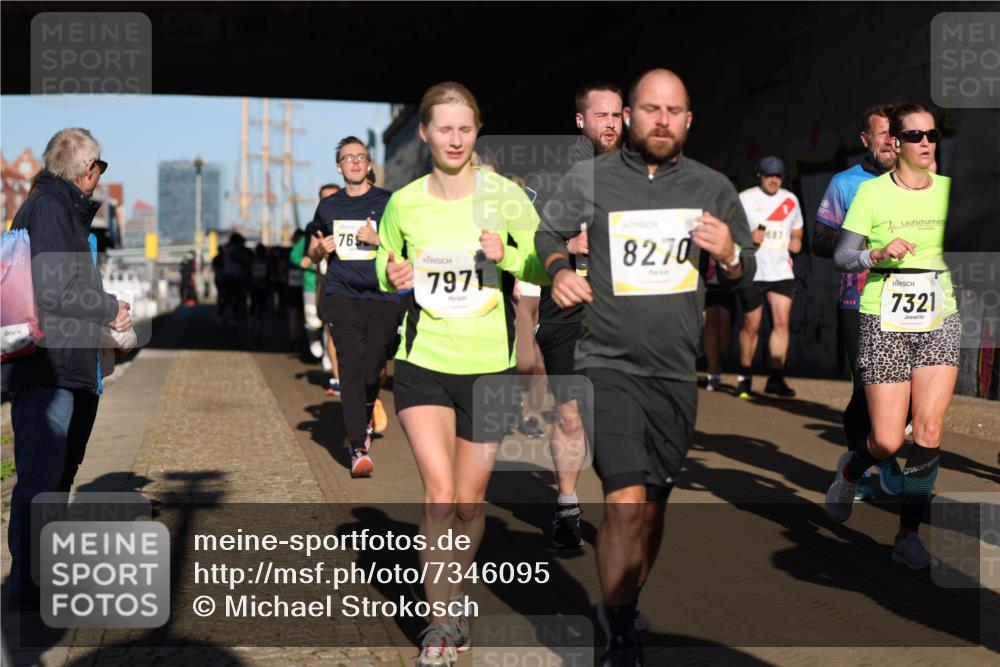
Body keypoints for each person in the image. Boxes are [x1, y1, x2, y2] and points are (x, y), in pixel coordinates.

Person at [536, 69, 755, 665]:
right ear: (629, 116)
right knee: (626, 500)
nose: (662, 119)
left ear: (689, 120)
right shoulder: (591, 178)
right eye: (650, 109)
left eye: (674, 110)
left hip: (674, 375)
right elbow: (548, 232)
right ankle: (620, 631)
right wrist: (558, 270)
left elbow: (746, 271)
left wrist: (730, 254)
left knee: (652, 508)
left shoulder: (713, 188)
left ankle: (625, 603)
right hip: (606, 363)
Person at [375, 82, 547, 666]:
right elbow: (385, 266)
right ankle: (439, 620)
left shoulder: (506, 196)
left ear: (476, 132)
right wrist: (393, 274)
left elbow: (542, 260)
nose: (454, 139)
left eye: (465, 128)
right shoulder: (403, 203)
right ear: (424, 133)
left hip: (489, 367)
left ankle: (457, 590)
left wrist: (510, 256)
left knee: (471, 504)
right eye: (443, 128)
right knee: (440, 492)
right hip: (424, 361)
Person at [825, 102, 958, 570]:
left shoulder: (948, 191)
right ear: (895, 143)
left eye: (932, 135)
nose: (925, 142)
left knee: (929, 429)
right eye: (915, 135)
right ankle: (850, 468)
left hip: (940, 316)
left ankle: (907, 536)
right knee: (885, 440)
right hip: (884, 318)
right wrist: (875, 254)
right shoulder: (871, 194)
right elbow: (841, 256)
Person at [1, 128, 132, 598]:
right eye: (101, 168)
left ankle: (39, 580)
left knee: (53, 476)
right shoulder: (54, 209)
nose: (99, 176)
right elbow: (57, 291)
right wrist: (110, 306)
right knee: (42, 478)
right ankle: (30, 587)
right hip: (50, 369)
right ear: (88, 169)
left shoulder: (46, 206)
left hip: (59, 364)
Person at [537, 81, 623, 549]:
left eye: (616, 115)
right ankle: (567, 509)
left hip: (619, 309)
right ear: (580, 121)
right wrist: (565, 245)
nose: (609, 124)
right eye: (600, 116)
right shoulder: (553, 175)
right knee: (570, 415)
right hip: (567, 308)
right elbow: (526, 239)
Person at [812, 104, 904, 500]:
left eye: (893, 133)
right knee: (867, 384)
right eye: (880, 134)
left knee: (912, 387)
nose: (889, 141)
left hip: (910, 300)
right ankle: (866, 462)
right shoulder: (845, 183)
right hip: (859, 298)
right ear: (865, 140)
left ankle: (871, 455)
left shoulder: (919, 181)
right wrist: (862, 243)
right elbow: (818, 241)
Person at [308, 136, 395, 477]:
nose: (355, 162)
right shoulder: (328, 208)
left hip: (381, 296)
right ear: (338, 166)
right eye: (348, 158)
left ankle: (368, 411)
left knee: (374, 367)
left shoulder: (389, 202)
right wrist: (320, 250)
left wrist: (380, 240)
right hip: (341, 295)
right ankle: (358, 448)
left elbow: (408, 246)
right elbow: (312, 252)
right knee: (351, 367)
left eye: (361, 157)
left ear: (370, 163)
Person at [734, 156, 804, 398]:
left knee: (782, 323)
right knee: (751, 325)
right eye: (768, 175)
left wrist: (797, 240)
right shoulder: (745, 198)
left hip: (781, 271)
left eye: (777, 176)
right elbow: (730, 229)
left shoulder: (790, 199)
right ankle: (744, 377)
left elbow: (797, 227)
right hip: (754, 270)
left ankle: (776, 378)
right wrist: (747, 237)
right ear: (759, 176)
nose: (773, 180)